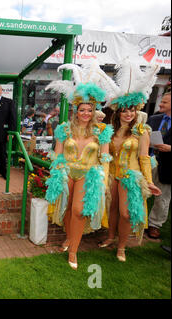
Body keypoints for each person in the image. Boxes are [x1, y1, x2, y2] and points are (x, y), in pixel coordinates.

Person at [45, 61, 114, 270]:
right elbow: (57, 155)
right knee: (66, 210)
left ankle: (73, 251)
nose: (85, 113)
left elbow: (105, 158)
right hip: (67, 173)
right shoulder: (64, 129)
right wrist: (57, 172)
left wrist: (103, 180)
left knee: (78, 211)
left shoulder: (102, 131)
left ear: (94, 111)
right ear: (76, 110)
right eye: (82, 109)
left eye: (89, 110)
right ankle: (69, 239)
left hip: (88, 175)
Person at [98, 60, 162, 262]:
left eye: (132, 110)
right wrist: (104, 177)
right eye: (125, 110)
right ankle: (110, 237)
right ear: (118, 112)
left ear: (137, 111)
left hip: (130, 177)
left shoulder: (142, 131)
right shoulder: (110, 131)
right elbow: (106, 156)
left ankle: (122, 247)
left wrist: (149, 181)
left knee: (126, 213)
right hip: (113, 176)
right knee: (113, 208)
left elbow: (144, 158)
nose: (128, 114)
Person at [146, 91, 171, 239]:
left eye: (165, 102)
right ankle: (135, 221)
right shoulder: (153, 119)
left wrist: (170, 149)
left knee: (162, 196)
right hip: (149, 161)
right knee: (139, 192)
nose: (160, 104)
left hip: (167, 165)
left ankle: (154, 225)